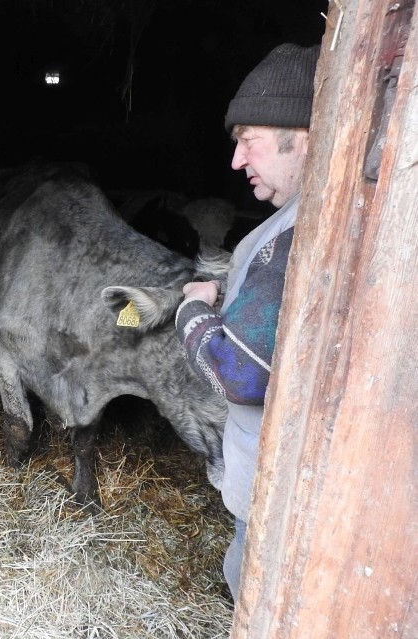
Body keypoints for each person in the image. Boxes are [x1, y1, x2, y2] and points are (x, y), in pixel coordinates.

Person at [174, 42, 321, 600]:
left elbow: (241, 373)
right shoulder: (292, 220)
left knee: (257, 594)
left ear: (301, 135)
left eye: (248, 141)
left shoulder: (292, 235)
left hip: (277, 491)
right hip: (286, 484)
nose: (236, 161)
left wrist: (193, 308)